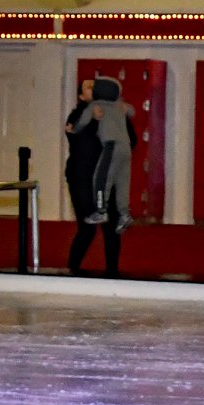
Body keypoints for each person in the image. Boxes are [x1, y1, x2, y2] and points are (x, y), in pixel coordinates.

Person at [63, 78, 121, 276]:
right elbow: (76, 132)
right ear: (81, 96)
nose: (93, 88)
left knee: (111, 227)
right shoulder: (77, 113)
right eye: (88, 87)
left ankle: (112, 272)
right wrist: (92, 118)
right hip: (81, 178)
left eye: (94, 85)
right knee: (87, 227)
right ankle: (72, 269)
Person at [81, 76, 136, 237]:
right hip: (126, 148)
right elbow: (132, 111)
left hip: (111, 146)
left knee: (100, 178)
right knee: (122, 182)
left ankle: (100, 210)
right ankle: (124, 213)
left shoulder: (95, 105)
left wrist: (74, 128)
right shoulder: (120, 105)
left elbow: (82, 123)